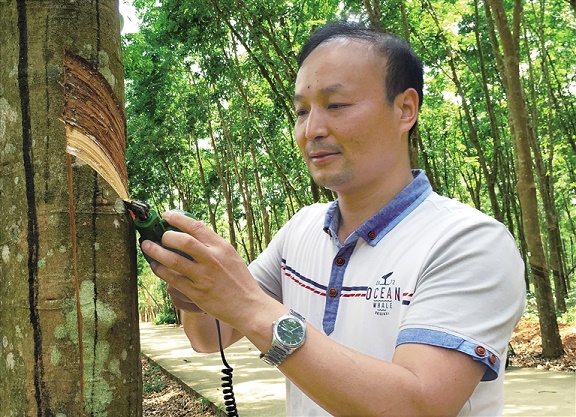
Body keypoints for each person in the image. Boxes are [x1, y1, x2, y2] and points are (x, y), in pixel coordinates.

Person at [141, 20, 526, 417]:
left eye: (336, 105)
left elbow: (418, 405)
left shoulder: (470, 242)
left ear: (405, 109)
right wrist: (192, 283)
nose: (312, 129)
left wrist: (249, 307)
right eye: (301, 111)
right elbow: (210, 336)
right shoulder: (300, 230)